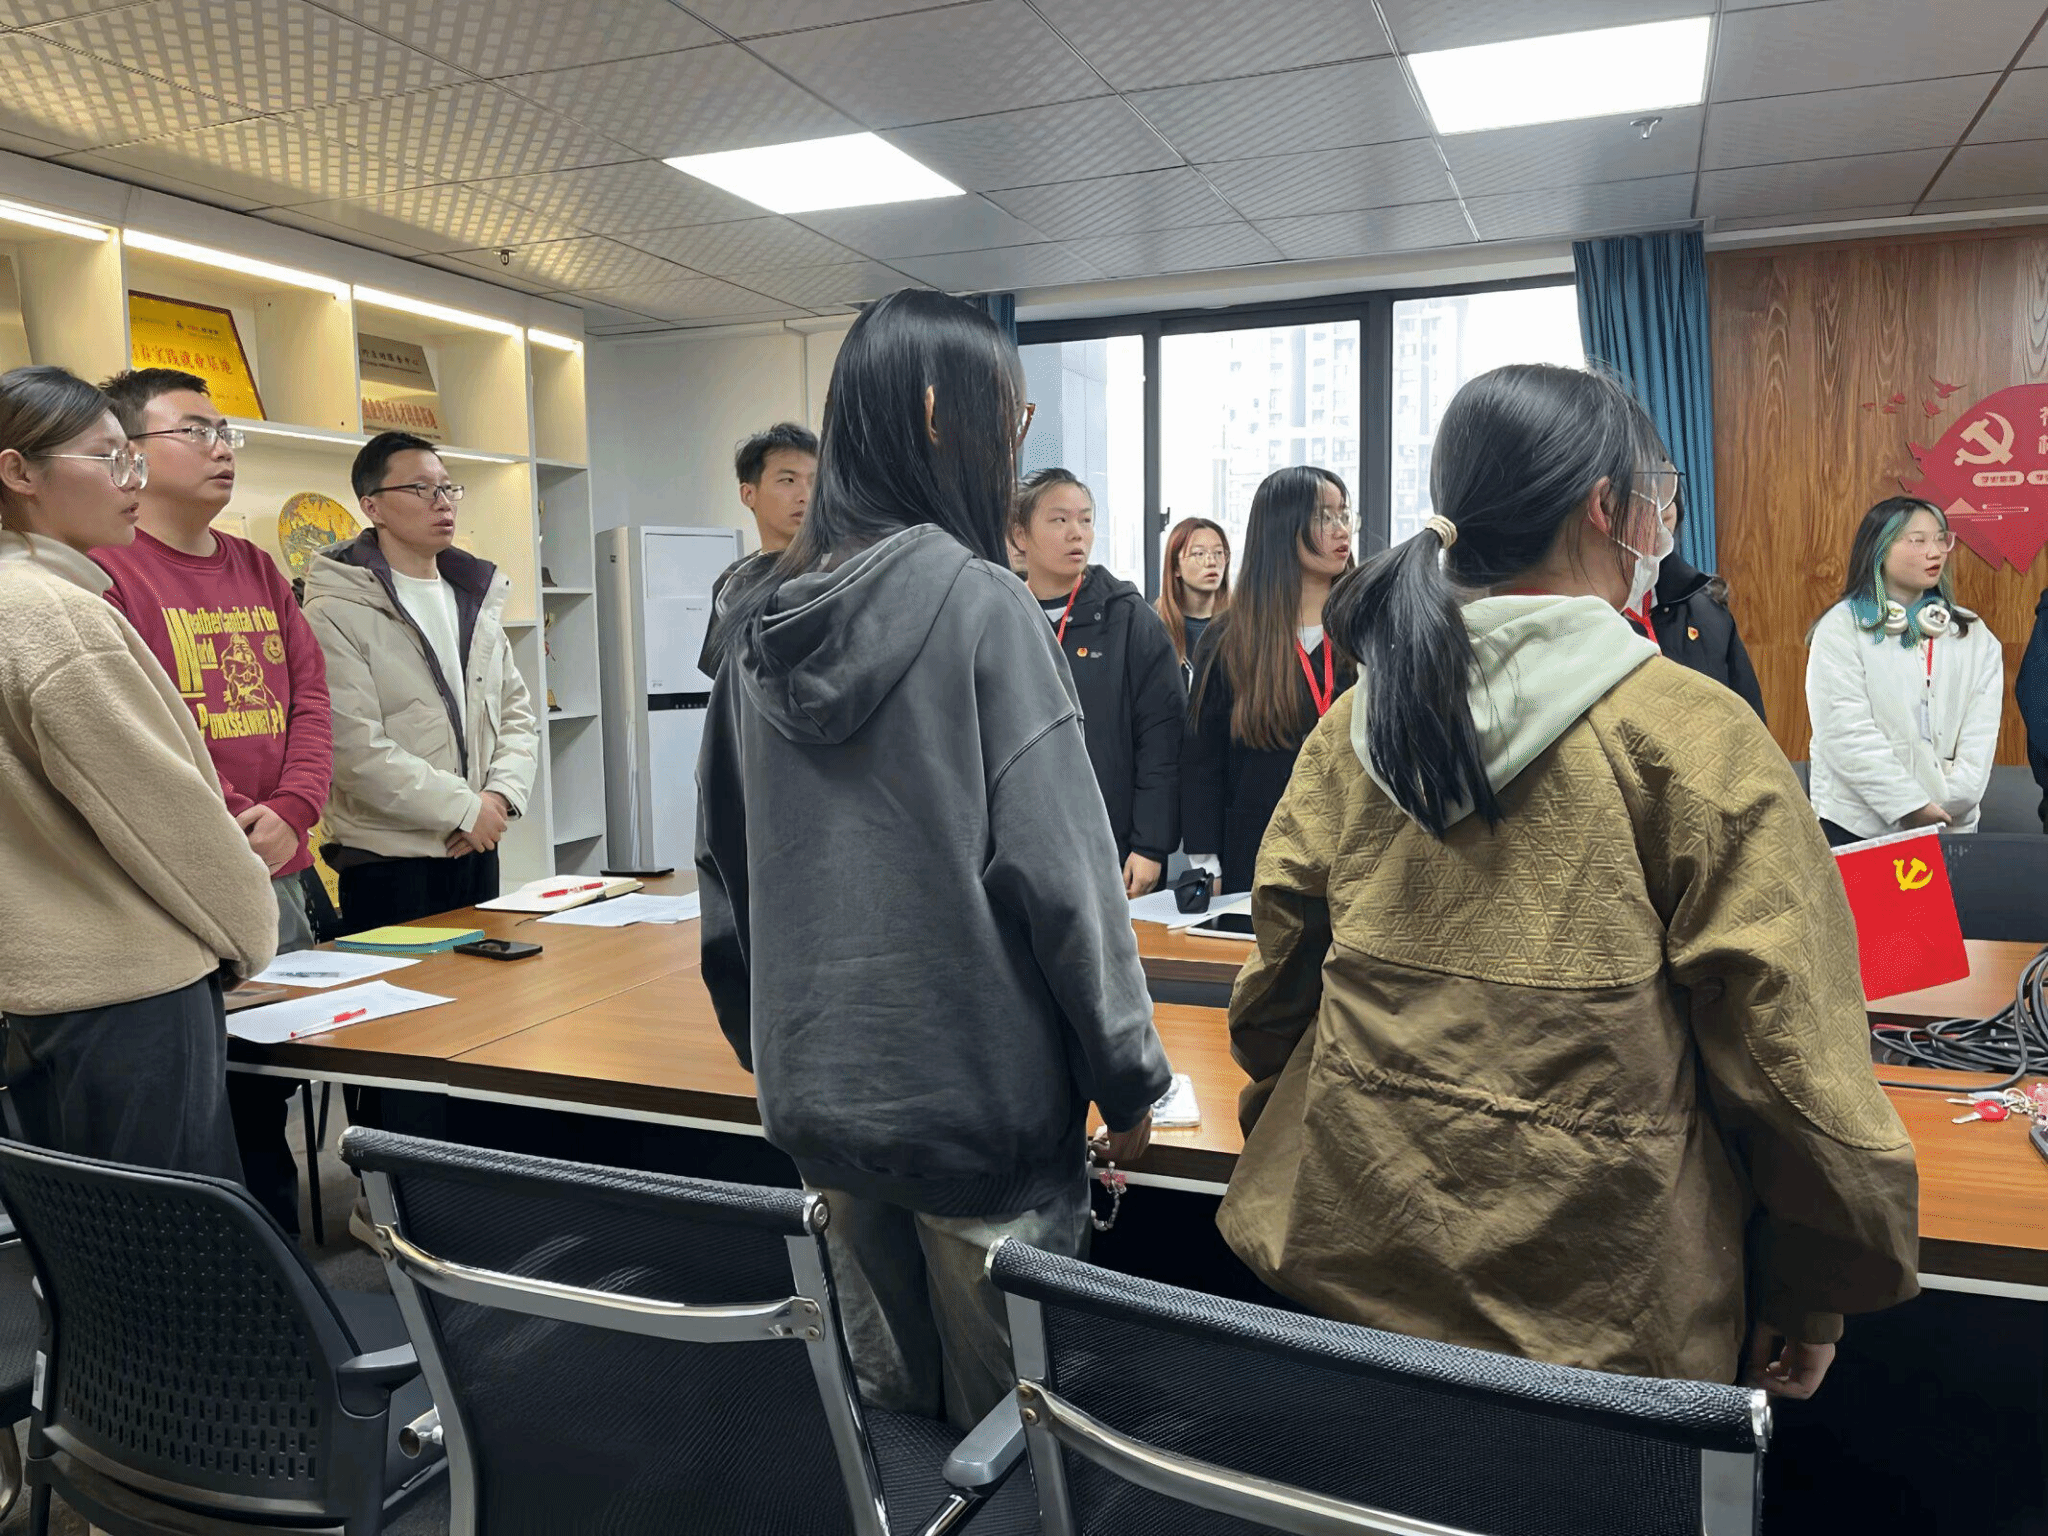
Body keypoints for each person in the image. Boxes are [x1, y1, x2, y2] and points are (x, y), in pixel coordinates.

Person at [1215, 363, 1918, 1397]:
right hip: (1605, 1320)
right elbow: (1789, 1058)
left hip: (1347, 1268)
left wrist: (1314, 1140)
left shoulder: (1358, 724)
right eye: (1654, 494)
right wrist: (1814, 1284)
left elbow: (1276, 992)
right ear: (1605, 507)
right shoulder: (1690, 734)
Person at [696, 289, 1170, 1430]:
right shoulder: (984, 608)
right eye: (1009, 418)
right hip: (978, 1118)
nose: (1014, 444)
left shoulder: (754, 621)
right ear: (934, 417)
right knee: (1014, 1438)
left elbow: (724, 884)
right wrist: (1128, 1080)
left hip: (824, 1111)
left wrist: (785, 1060)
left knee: (890, 1433)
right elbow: (1066, 886)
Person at [0, 364, 276, 1178]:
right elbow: (162, 818)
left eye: (134, 456)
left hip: (36, 985)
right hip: (130, 992)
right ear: (19, 472)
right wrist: (252, 934)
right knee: (173, 1230)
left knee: (85, 1229)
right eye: (108, 457)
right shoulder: (57, 615)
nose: (133, 479)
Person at [91, 367, 330, 1237]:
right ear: (128, 453)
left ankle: (282, 1263)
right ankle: (234, 1270)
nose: (221, 448)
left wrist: (295, 808)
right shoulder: (105, 573)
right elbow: (143, 735)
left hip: (281, 866)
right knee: (203, 1099)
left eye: (225, 431)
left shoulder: (256, 565)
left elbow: (312, 699)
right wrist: (237, 819)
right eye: (195, 431)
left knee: (270, 1085)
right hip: (186, 881)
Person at [303, 431, 538, 929]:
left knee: (487, 980)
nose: (442, 502)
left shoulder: (473, 598)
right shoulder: (333, 610)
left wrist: (496, 801)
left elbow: (517, 715)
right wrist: (464, 809)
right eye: (420, 489)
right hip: (389, 862)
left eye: (448, 488)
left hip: (477, 845)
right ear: (372, 506)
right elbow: (354, 749)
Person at [1009, 466, 1184, 896]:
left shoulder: (1127, 619)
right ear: (1020, 535)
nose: (1077, 533)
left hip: (1109, 846)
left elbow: (1163, 738)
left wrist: (1150, 845)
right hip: (1016, 846)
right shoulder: (1000, 614)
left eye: (1085, 520)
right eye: (1059, 520)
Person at [1180, 465, 1355, 893]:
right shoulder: (1230, 638)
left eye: (1344, 514)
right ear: (1282, 529)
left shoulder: (1366, 629)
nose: (1340, 529)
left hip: (1352, 848)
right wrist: (1205, 861)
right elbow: (1203, 759)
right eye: (1323, 517)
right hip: (1257, 850)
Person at [1806, 496, 2002, 847]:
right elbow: (1844, 731)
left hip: (1950, 823)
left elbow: (1980, 734)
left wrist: (1949, 802)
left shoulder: (1972, 633)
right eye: (1918, 540)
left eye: (1941, 539)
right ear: (1879, 549)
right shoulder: (1842, 627)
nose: (1935, 552)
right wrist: (1909, 805)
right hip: (1858, 825)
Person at [1624, 471, 1766, 721]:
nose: (1657, 506)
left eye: (1665, 490)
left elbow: (1751, 726)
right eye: (1641, 493)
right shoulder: (1581, 615)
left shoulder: (1709, 611)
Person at [696, 421, 817, 677]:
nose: (805, 495)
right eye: (788, 480)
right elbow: (725, 680)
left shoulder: (840, 570)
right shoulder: (734, 585)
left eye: (815, 482)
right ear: (748, 494)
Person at [1156, 515, 1231, 680]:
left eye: (1218, 553)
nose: (1211, 562)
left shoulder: (1240, 624)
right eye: (1199, 554)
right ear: (1176, 567)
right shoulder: (1154, 627)